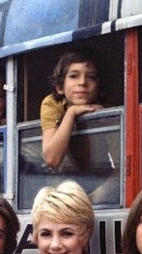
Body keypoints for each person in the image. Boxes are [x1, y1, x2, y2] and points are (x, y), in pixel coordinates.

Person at [40, 49, 118, 202]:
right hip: (61, 191)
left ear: (99, 85)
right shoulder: (52, 103)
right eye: (74, 76)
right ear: (59, 87)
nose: (82, 82)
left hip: (101, 187)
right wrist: (71, 113)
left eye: (91, 77)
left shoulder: (108, 112)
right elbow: (52, 159)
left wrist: (94, 198)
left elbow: (123, 168)